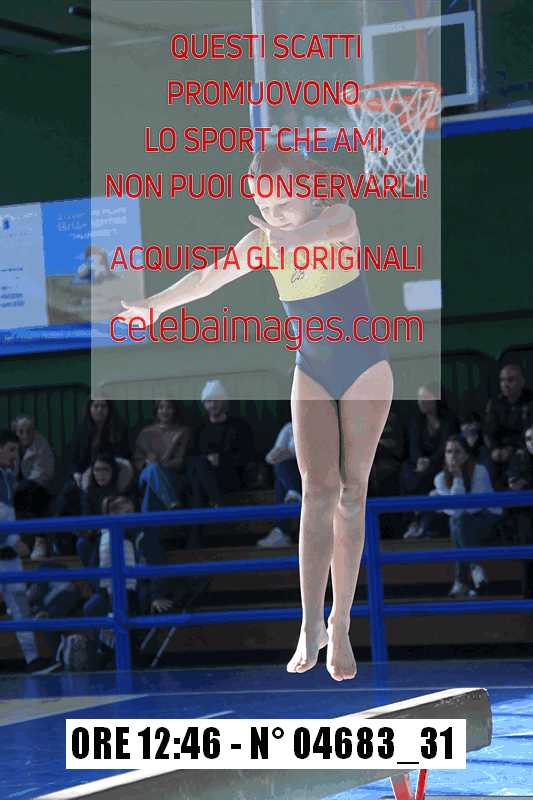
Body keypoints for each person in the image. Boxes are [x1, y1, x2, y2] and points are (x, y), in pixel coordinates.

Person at [120, 148, 393, 681]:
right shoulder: (264, 240)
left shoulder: (340, 217)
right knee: (317, 490)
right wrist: (155, 306)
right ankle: (310, 622)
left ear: (309, 190)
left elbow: (306, 238)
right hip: (312, 367)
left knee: (351, 492)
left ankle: (340, 622)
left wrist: (270, 239)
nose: (275, 214)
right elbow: (207, 277)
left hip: (365, 366)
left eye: (284, 202)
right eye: (265, 208)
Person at [0, 429, 49, 672]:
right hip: (6, 550)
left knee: (21, 607)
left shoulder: (8, 476)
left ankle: (32, 659)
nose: (14, 456)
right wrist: (10, 540)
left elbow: (7, 515)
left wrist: (12, 540)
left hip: (9, 556)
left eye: (16, 451)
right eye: (10, 450)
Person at [433, 434, 502, 598]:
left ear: (466, 455)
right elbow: (456, 511)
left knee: (458, 522)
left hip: (488, 517)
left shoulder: (480, 471)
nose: (452, 456)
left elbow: (473, 507)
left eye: (457, 452)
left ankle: (462, 581)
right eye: (449, 452)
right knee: (457, 521)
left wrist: (457, 481)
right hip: (464, 523)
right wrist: (457, 478)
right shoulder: (440, 478)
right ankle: (475, 570)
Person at [401, 383, 458, 539]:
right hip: (419, 464)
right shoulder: (416, 420)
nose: (421, 402)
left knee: (430, 476)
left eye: (425, 397)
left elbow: (446, 446)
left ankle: (423, 522)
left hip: (440, 462)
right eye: (419, 398)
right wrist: (420, 461)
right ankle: (413, 521)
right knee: (408, 472)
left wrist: (430, 462)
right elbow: (413, 446)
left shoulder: (449, 420)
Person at [133, 399, 190, 513]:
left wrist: (159, 464)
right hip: (145, 474)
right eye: (161, 408)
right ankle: (171, 502)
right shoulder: (145, 433)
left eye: (169, 408)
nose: (165, 411)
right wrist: (146, 463)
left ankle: (147, 522)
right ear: (156, 411)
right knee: (151, 470)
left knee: (152, 485)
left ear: (175, 410)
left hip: (170, 475)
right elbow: (137, 460)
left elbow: (180, 461)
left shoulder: (182, 431)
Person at [11, 414, 55, 560]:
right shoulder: (10, 446)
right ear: (15, 432)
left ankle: (40, 541)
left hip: (38, 487)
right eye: (21, 431)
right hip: (15, 490)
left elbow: (43, 473)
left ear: (34, 431)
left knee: (35, 495)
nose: (25, 435)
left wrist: (20, 487)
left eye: (29, 430)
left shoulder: (41, 444)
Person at [484, 363, 533, 489]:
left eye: (510, 380)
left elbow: (529, 434)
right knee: (486, 459)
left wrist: (511, 449)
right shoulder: (495, 403)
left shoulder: (530, 402)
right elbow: (489, 432)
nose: (505, 384)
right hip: (499, 449)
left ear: (522, 382)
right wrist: (494, 449)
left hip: (523, 448)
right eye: (502, 380)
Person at [257, 421, 301, 548]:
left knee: (282, 473)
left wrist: (291, 452)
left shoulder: (323, 423)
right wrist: (277, 455)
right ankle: (293, 493)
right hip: (292, 477)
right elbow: (271, 456)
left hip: (315, 476)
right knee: (280, 468)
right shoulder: (289, 427)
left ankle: (282, 531)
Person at [506, 425, 533, 598]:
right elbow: (514, 483)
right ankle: (528, 597)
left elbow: (523, 482)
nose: (532, 442)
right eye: (528, 439)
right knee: (527, 552)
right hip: (525, 514)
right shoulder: (519, 457)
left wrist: (527, 482)